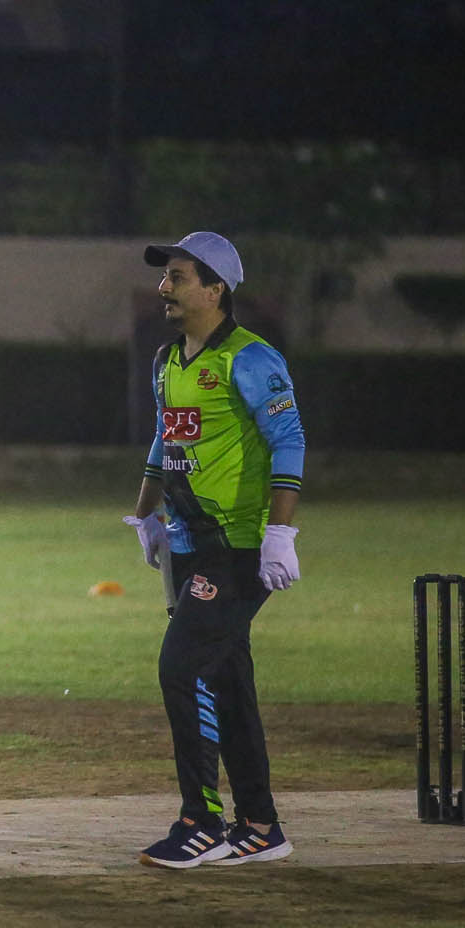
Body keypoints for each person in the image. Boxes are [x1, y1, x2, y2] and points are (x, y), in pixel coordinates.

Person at [123, 230, 305, 869]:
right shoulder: (167, 360)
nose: (163, 287)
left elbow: (289, 441)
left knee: (183, 666)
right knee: (227, 678)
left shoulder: (251, 358)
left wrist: (280, 534)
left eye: (177, 277)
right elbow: (164, 438)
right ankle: (260, 825)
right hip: (188, 544)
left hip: (237, 546)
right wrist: (146, 515)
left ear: (215, 288)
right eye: (165, 276)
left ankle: (201, 823)